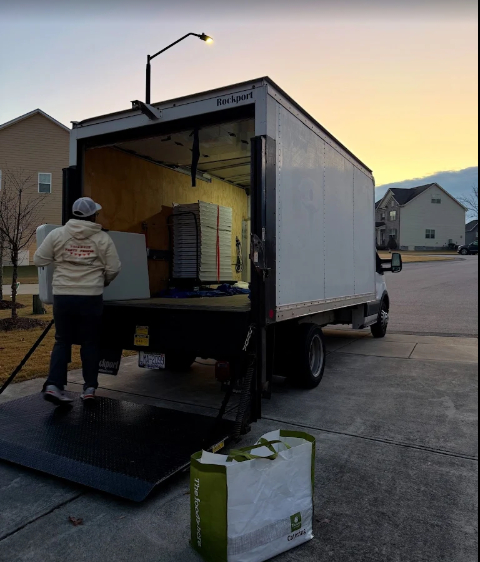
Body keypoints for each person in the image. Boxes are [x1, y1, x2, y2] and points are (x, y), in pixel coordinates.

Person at [34, 197, 121, 405]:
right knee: (90, 342)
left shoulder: (57, 234)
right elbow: (114, 268)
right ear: (93, 215)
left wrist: (62, 259)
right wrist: (103, 281)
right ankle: (89, 388)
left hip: (63, 296)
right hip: (90, 297)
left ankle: (55, 385)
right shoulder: (102, 239)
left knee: (62, 340)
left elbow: (39, 259)